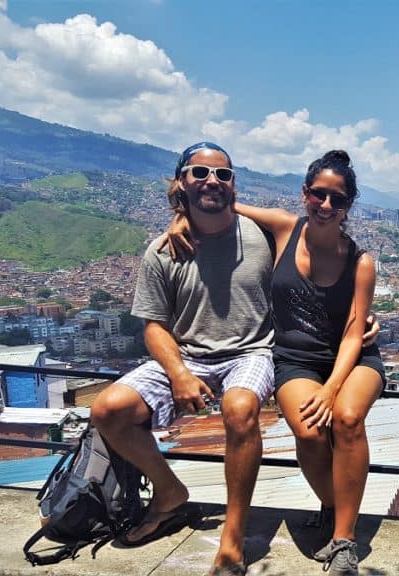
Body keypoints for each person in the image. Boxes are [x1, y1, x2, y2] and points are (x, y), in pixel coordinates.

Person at [166, 150, 383, 575]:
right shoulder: (285, 228)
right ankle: (335, 504)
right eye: (318, 194)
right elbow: (222, 206)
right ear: (304, 194)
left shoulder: (360, 262)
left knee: (347, 418)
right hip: (296, 359)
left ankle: (344, 540)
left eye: (337, 199)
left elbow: (354, 333)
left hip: (354, 358)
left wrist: (332, 389)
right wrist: (181, 218)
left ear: (348, 206)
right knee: (308, 431)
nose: (325, 205)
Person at [91, 141, 272, 576]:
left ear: (234, 185)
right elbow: (153, 325)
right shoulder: (161, 250)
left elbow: (317, 249)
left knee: (240, 408)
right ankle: (170, 492)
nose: (212, 180)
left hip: (251, 349)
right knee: (108, 409)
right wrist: (178, 373)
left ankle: (233, 534)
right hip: (188, 354)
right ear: (181, 182)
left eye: (222, 174)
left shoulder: (262, 234)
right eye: (200, 173)